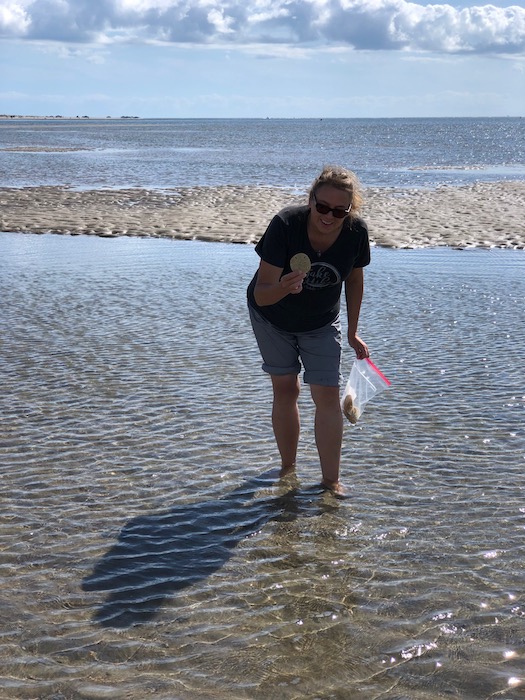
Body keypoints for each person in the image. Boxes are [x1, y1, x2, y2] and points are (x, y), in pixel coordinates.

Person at [247, 165, 371, 496]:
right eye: (322, 207)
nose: (328, 216)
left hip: (321, 321)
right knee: (286, 390)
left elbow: (355, 280)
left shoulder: (356, 233)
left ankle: (331, 480)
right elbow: (262, 293)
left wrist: (353, 331)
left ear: (349, 210)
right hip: (272, 316)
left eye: (339, 211)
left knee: (327, 395)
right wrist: (285, 288)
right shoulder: (286, 224)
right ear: (311, 199)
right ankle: (288, 470)